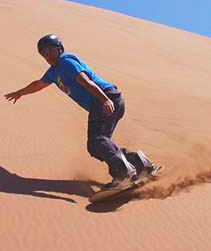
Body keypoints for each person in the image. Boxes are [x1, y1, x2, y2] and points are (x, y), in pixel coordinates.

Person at [4, 34, 159, 189]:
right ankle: (140, 163)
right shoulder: (53, 71)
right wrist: (20, 92)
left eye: (50, 50)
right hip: (105, 100)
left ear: (59, 48)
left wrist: (104, 99)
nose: (48, 55)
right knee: (97, 145)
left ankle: (123, 174)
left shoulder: (66, 62)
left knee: (97, 140)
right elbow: (38, 84)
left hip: (103, 97)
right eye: (44, 53)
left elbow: (85, 81)